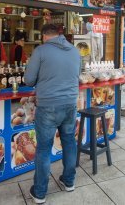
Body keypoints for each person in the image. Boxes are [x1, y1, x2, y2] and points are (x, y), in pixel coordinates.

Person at [24, 24, 80, 204]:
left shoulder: (41, 50)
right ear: (59, 34)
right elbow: (77, 75)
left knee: (43, 149)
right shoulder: (74, 50)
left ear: (44, 36)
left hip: (48, 105)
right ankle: (69, 181)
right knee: (70, 142)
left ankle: (40, 192)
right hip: (71, 103)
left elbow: (29, 79)